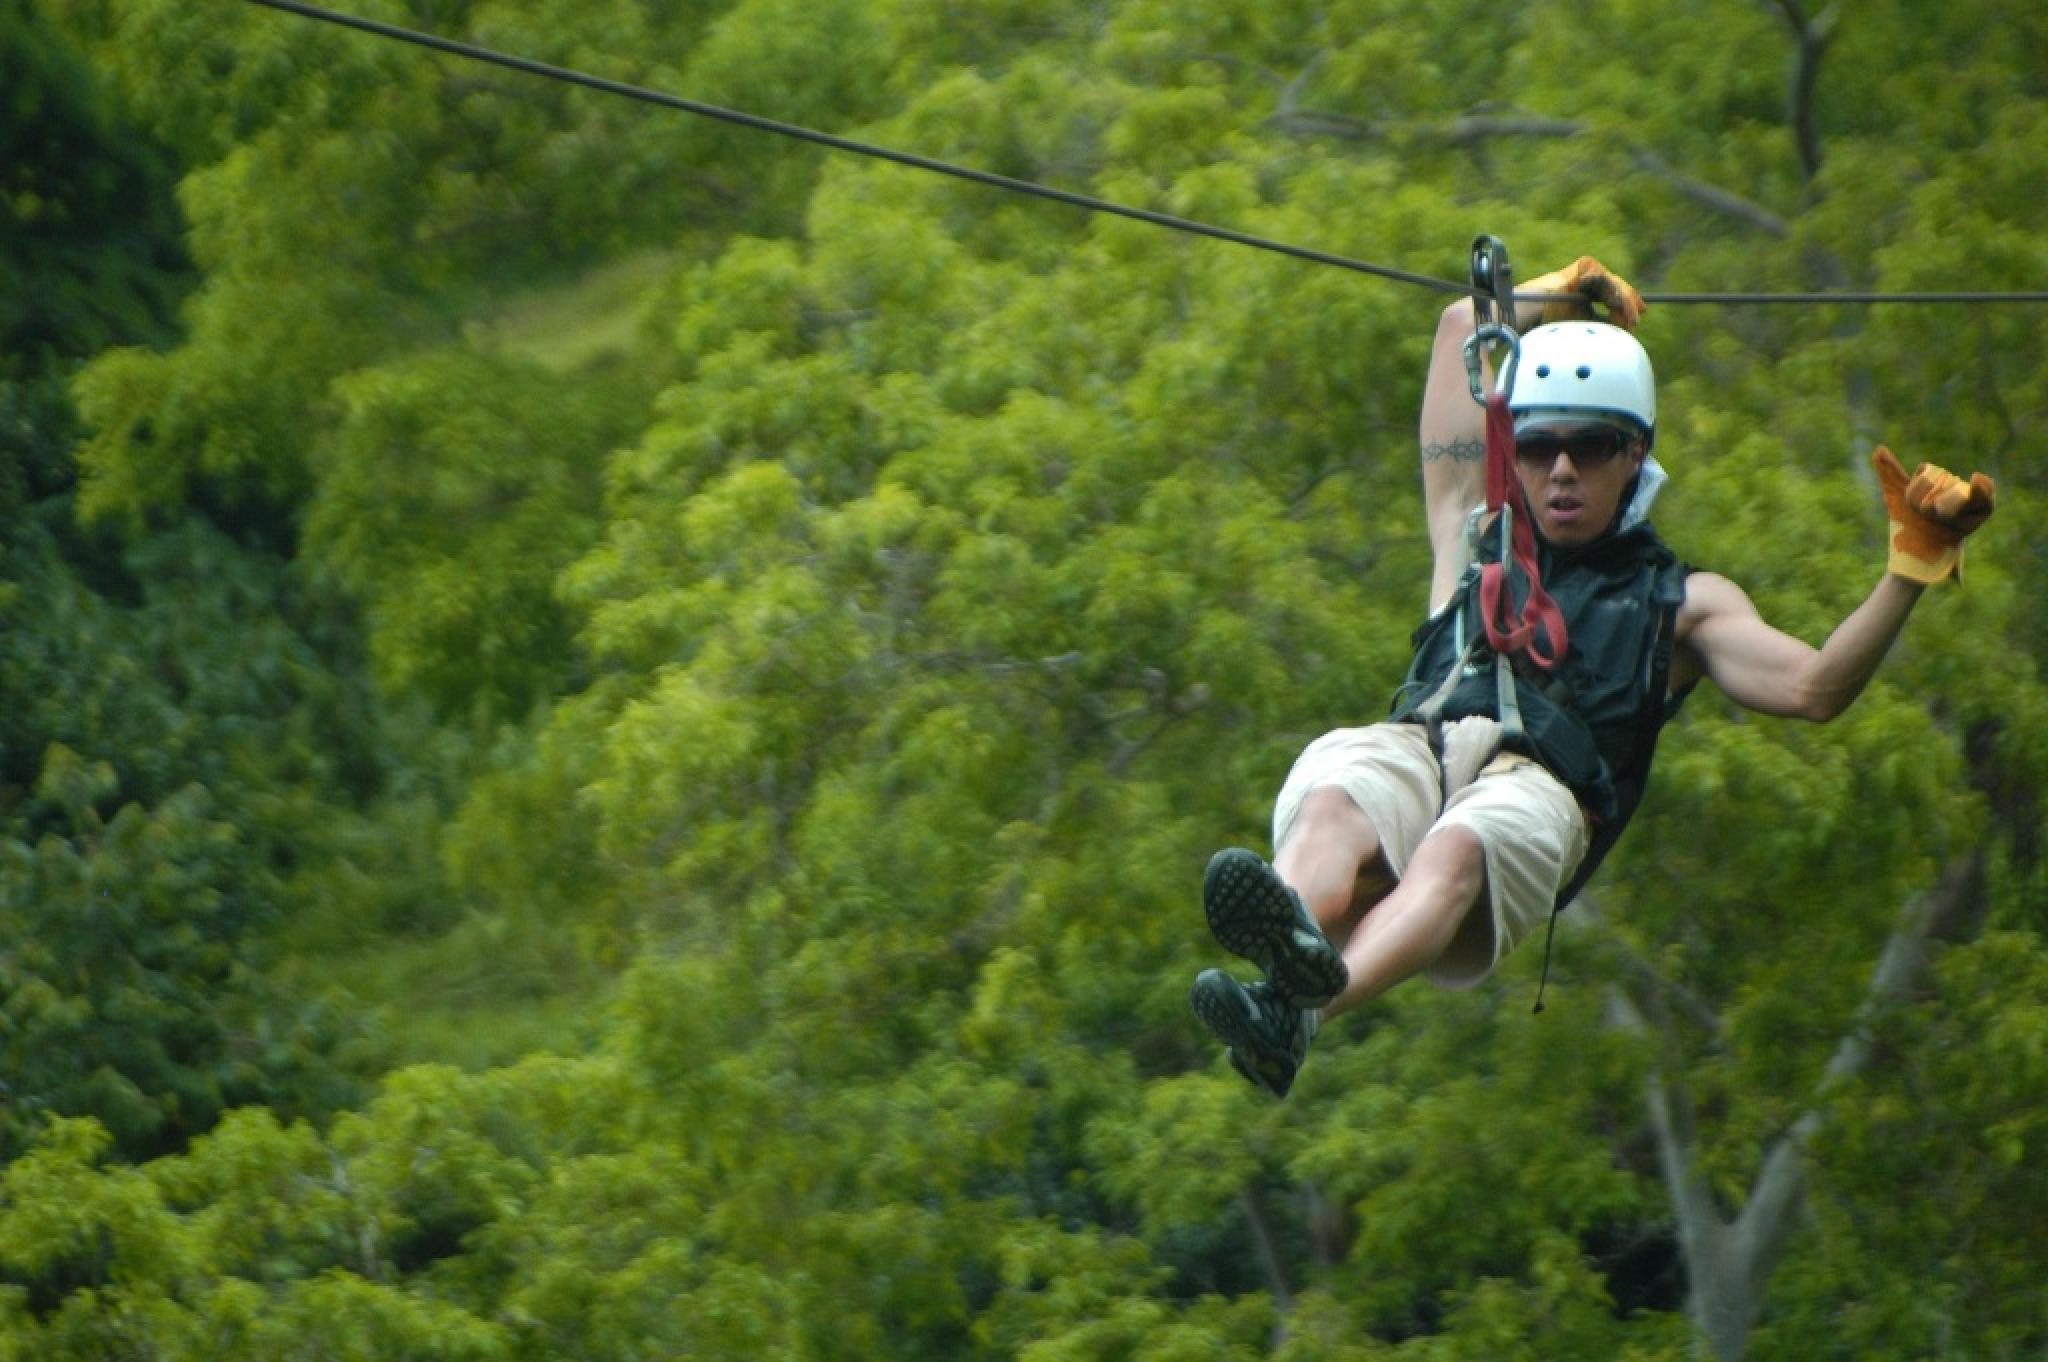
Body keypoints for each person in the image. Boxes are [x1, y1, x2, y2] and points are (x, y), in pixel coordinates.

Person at [1190, 255, 1998, 1098]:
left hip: (1536, 793)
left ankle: (1302, 1014)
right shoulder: (1474, 530)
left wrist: (1912, 566)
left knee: (1457, 847)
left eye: (1591, 446)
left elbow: (1815, 689)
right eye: (1538, 446)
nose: (1562, 471)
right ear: (1516, 450)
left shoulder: (1683, 604)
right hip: (1424, 744)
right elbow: (1461, 334)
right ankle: (1284, 957)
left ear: (1633, 454)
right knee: (1335, 795)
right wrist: (1550, 293)